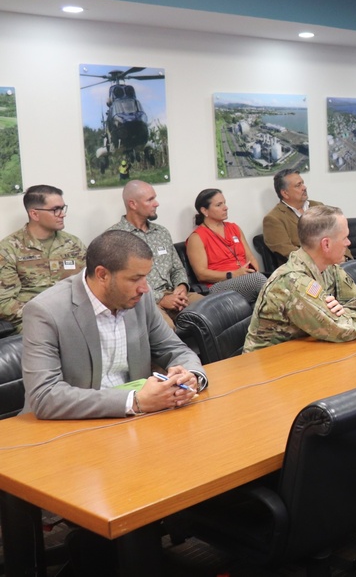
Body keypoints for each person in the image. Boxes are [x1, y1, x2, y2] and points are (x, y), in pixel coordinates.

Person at [21, 230, 207, 420]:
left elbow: (176, 350)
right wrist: (134, 401)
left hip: (136, 420)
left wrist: (190, 376)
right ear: (102, 275)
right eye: (135, 279)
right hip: (69, 426)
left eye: (146, 277)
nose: (144, 287)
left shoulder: (140, 297)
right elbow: (45, 396)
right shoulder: (45, 311)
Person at [244, 206, 356, 352]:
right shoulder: (294, 282)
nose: (348, 243)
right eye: (344, 237)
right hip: (269, 364)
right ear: (326, 244)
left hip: (304, 351)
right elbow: (344, 330)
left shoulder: (328, 266)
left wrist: (344, 312)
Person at [107, 180, 203, 328]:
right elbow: (120, 284)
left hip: (176, 294)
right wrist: (160, 299)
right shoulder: (115, 238)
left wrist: (181, 287)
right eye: (150, 199)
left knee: (215, 310)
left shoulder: (162, 232)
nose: (156, 203)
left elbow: (177, 268)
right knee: (167, 328)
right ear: (133, 204)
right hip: (143, 302)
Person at [0, 185, 87, 332]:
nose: (62, 214)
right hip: (34, 324)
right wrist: (45, 316)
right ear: (34, 214)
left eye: (63, 208)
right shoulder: (9, 249)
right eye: (55, 209)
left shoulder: (74, 244)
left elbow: (90, 285)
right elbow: (4, 302)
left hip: (76, 319)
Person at [186, 188, 267, 304]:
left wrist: (253, 272)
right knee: (258, 280)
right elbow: (201, 274)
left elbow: (250, 257)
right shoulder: (197, 237)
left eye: (224, 203)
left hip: (246, 279)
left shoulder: (234, 228)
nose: (225, 207)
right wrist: (232, 274)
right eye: (219, 205)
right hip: (219, 285)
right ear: (204, 210)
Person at [262, 168, 324, 261]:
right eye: (298, 185)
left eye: (302, 183)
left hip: (335, 263)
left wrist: (345, 258)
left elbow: (337, 236)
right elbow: (288, 252)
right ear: (285, 193)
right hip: (304, 269)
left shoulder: (318, 206)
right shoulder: (273, 219)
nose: (304, 187)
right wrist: (320, 260)